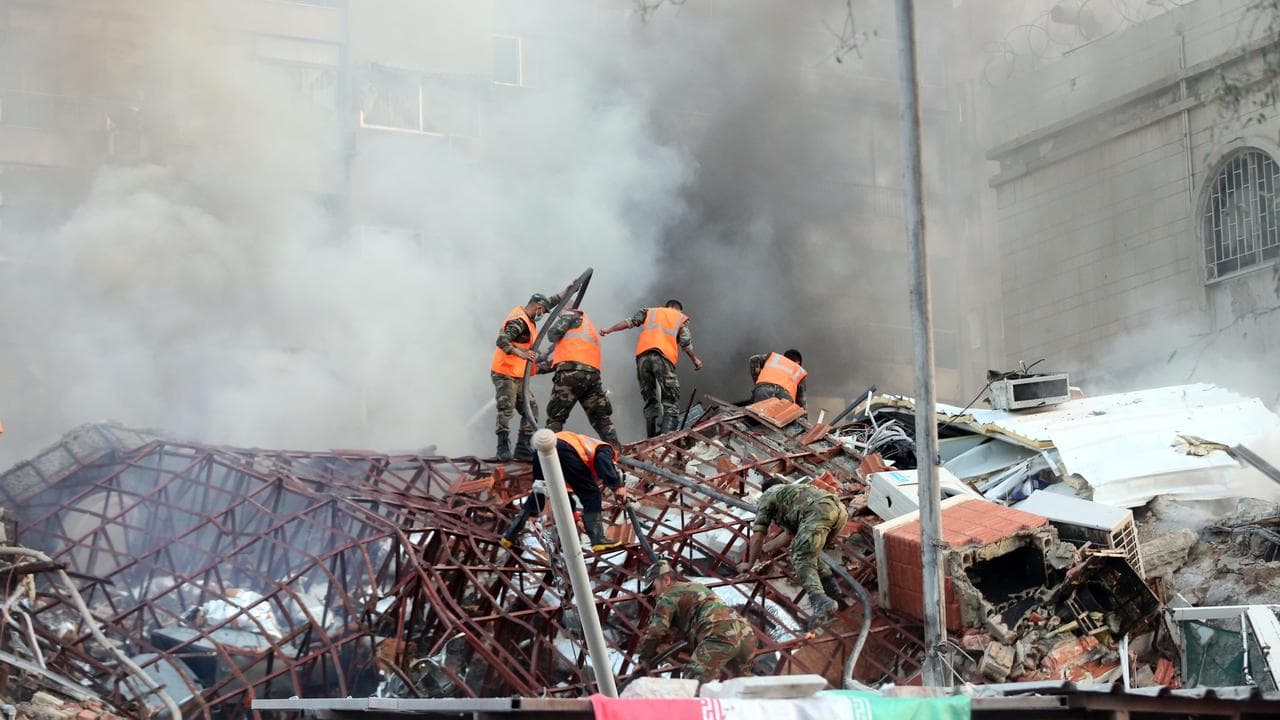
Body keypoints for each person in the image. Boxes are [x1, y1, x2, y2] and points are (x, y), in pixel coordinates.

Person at [739, 478, 847, 624]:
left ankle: (821, 601)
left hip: (817, 513)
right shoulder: (792, 492)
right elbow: (787, 536)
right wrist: (765, 549)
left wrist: (749, 563)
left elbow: (758, 535)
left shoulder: (768, 495)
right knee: (811, 554)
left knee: (801, 557)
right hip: (839, 512)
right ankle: (833, 593)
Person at [498, 430, 628, 552]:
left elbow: (565, 493)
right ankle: (598, 540)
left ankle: (509, 536)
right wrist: (617, 486)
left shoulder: (578, 455)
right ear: (616, 451)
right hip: (561, 448)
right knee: (591, 494)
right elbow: (603, 461)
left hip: (542, 451)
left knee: (539, 494)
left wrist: (576, 518)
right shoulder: (606, 448)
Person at [635, 560, 756, 683]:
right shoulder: (696, 587)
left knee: (692, 683)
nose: (652, 594)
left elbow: (656, 631)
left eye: (653, 588)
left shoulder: (668, 596)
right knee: (742, 684)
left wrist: (643, 660)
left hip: (719, 634)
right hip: (744, 632)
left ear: (666, 580)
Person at [601, 300, 703, 438]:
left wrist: (609, 330)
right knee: (670, 401)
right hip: (663, 357)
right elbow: (686, 343)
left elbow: (629, 322)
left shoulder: (650, 312)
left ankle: (651, 439)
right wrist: (695, 360)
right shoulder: (680, 317)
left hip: (642, 358)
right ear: (678, 309)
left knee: (650, 400)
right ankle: (665, 440)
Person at [491, 289, 564, 461]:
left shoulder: (529, 320)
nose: (544, 315)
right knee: (506, 409)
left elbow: (550, 301)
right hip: (504, 373)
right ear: (538, 307)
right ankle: (502, 448)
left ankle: (522, 447)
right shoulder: (519, 321)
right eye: (543, 311)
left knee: (531, 409)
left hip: (518, 375)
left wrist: (566, 291)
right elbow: (502, 340)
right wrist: (520, 353)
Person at [540, 308, 622, 449]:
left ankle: (547, 457)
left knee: (556, 417)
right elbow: (567, 358)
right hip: (592, 377)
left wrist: (563, 317)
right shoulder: (588, 327)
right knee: (601, 418)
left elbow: (552, 335)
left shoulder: (570, 316)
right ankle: (616, 452)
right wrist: (538, 368)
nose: (559, 315)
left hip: (571, 375)